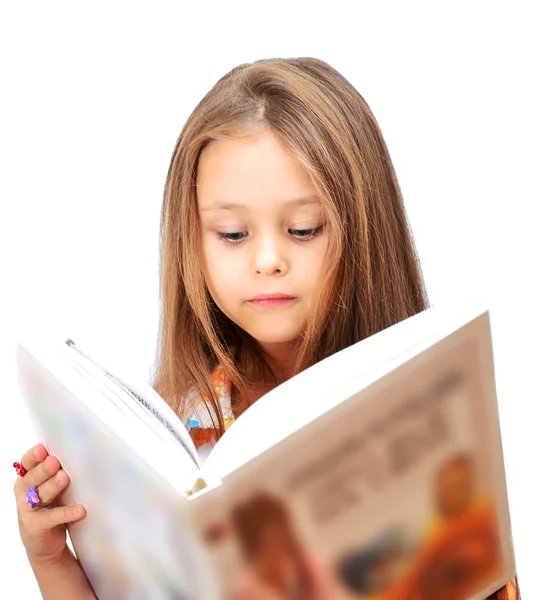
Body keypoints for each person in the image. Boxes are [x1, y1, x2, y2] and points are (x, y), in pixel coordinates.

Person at [13, 57, 519, 599]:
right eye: (232, 234)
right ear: (193, 239)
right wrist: (55, 565)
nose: (268, 259)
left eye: (304, 229)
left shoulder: (434, 417)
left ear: (365, 230)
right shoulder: (178, 435)